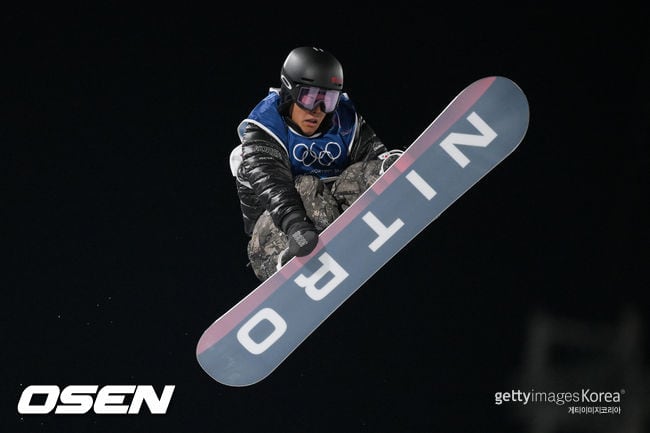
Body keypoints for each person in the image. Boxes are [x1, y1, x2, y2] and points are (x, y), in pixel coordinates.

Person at [230, 46, 401, 281]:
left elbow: (371, 157)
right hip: (276, 234)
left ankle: (389, 197)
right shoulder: (264, 127)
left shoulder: (344, 120)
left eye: (328, 101)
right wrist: (295, 227)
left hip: (329, 216)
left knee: (359, 174)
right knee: (306, 186)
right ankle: (287, 262)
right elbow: (273, 184)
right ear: (289, 92)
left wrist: (388, 169)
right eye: (309, 98)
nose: (318, 111)